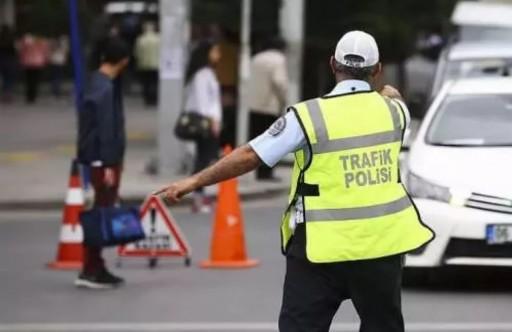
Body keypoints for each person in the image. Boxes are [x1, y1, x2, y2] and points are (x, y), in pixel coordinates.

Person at [155, 31, 435, 331]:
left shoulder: (307, 116)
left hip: (319, 249)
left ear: (332, 65)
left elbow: (251, 155)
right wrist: (387, 93)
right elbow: (391, 98)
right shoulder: (395, 112)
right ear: (377, 69)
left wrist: (194, 181)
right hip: (381, 247)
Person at [76, 37, 130, 289]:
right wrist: (109, 164)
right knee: (101, 213)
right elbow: (106, 130)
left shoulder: (95, 82)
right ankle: (91, 269)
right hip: (103, 160)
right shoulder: (106, 88)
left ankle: (95, 265)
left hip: (96, 158)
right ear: (123, 61)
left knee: (100, 211)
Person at [182, 40, 223, 213]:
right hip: (205, 123)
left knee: (205, 159)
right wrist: (212, 121)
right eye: (215, 50)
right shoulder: (202, 74)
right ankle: (197, 197)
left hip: (209, 122)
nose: (218, 54)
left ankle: (201, 195)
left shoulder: (207, 73)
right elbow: (202, 102)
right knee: (203, 160)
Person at [247, 36, 288, 180]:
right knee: (272, 141)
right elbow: (279, 81)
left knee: (258, 141)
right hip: (270, 106)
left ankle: (259, 172)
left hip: (254, 105)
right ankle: (267, 173)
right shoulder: (278, 59)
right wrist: (283, 99)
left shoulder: (256, 58)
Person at [18, 33, 48, 104]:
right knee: (35, 81)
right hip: (37, 63)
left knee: (29, 81)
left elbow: (22, 51)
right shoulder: (41, 41)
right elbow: (44, 51)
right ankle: (33, 97)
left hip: (28, 63)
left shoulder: (26, 40)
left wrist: (21, 60)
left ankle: (29, 97)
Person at [134, 22, 159, 106]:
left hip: (144, 64)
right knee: (155, 82)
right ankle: (154, 99)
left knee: (146, 83)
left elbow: (136, 53)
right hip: (156, 64)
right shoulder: (158, 39)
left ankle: (147, 99)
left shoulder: (140, 39)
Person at [0, 24, 17, 103]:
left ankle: (4, 94)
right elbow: (14, 51)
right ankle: (8, 94)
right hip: (10, 61)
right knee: (9, 79)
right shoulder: (11, 39)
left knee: (4, 78)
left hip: (2, 60)